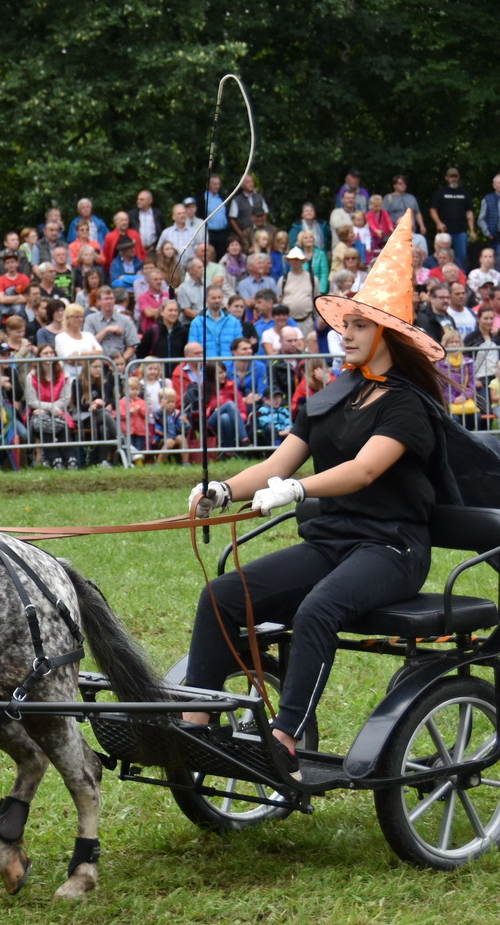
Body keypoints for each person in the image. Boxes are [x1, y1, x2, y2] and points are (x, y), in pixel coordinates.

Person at [183, 210, 447, 770]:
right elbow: (279, 460)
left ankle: (286, 737)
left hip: (392, 547)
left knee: (316, 609)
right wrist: (223, 490)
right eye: (343, 324)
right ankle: (195, 726)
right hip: (333, 541)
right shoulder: (331, 397)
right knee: (222, 596)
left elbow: (364, 471)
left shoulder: (406, 405)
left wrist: (297, 491)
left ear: (387, 336)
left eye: (358, 325)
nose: (344, 333)